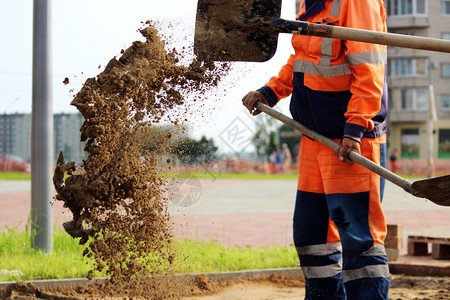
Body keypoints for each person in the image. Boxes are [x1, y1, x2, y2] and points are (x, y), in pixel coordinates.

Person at [242, 0, 390, 299]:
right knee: (312, 237)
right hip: (314, 139)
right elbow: (301, 59)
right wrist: (271, 91)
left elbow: (369, 69)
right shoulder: (308, 4)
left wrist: (355, 128)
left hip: (348, 142)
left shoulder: (354, 2)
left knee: (359, 240)